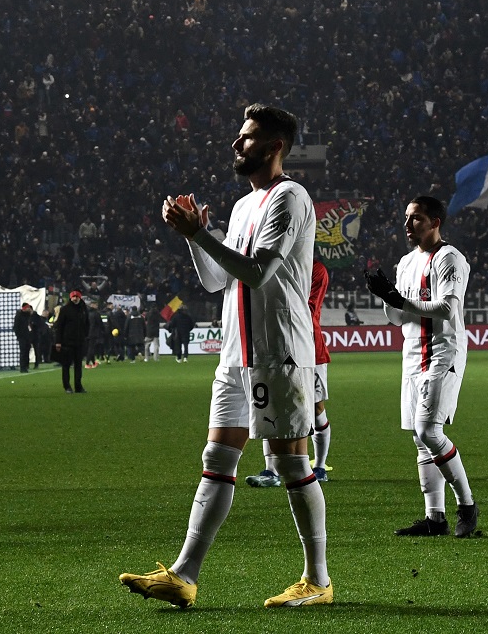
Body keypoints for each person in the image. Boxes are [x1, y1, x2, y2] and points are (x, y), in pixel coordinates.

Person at [120, 103, 331, 609]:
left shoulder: (291, 197)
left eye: (248, 136)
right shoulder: (241, 208)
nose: (237, 144)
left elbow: (259, 273)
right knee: (217, 458)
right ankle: (183, 575)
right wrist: (195, 239)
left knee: (289, 464)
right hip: (235, 354)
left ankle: (318, 579)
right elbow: (217, 279)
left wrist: (198, 234)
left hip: (279, 352)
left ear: (275, 146)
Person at [365, 195, 478, 538]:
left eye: (416, 219)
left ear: (435, 222)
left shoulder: (450, 259)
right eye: (407, 218)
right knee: (419, 438)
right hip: (413, 355)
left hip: (443, 352)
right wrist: (388, 299)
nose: (408, 225)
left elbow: (447, 308)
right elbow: (399, 318)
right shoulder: (405, 262)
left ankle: (467, 506)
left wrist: (399, 298)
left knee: (430, 431)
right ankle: (435, 518)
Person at [248, 259, 335, 487]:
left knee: (316, 409)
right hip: (274, 346)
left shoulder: (316, 270)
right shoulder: (272, 265)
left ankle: (319, 466)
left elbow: (309, 309)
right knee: (272, 404)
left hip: (310, 348)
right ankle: (270, 471)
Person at [54, 290, 91, 393]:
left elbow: (87, 324)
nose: (75, 298)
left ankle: (78, 386)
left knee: (78, 365)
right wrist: (58, 342)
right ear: (71, 298)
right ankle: (67, 387)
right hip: (67, 342)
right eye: (73, 297)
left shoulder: (84, 309)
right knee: (66, 365)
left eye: (76, 297)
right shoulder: (65, 310)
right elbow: (59, 327)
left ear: (80, 297)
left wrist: (86, 336)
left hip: (79, 342)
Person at [14, 302, 35, 373]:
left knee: (27, 351)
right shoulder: (19, 315)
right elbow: (16, 327)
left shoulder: (28, 316)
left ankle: (26, 365)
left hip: (28, 336)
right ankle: (22, 367)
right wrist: (18, 336)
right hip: (22, 337)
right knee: (23, 352)